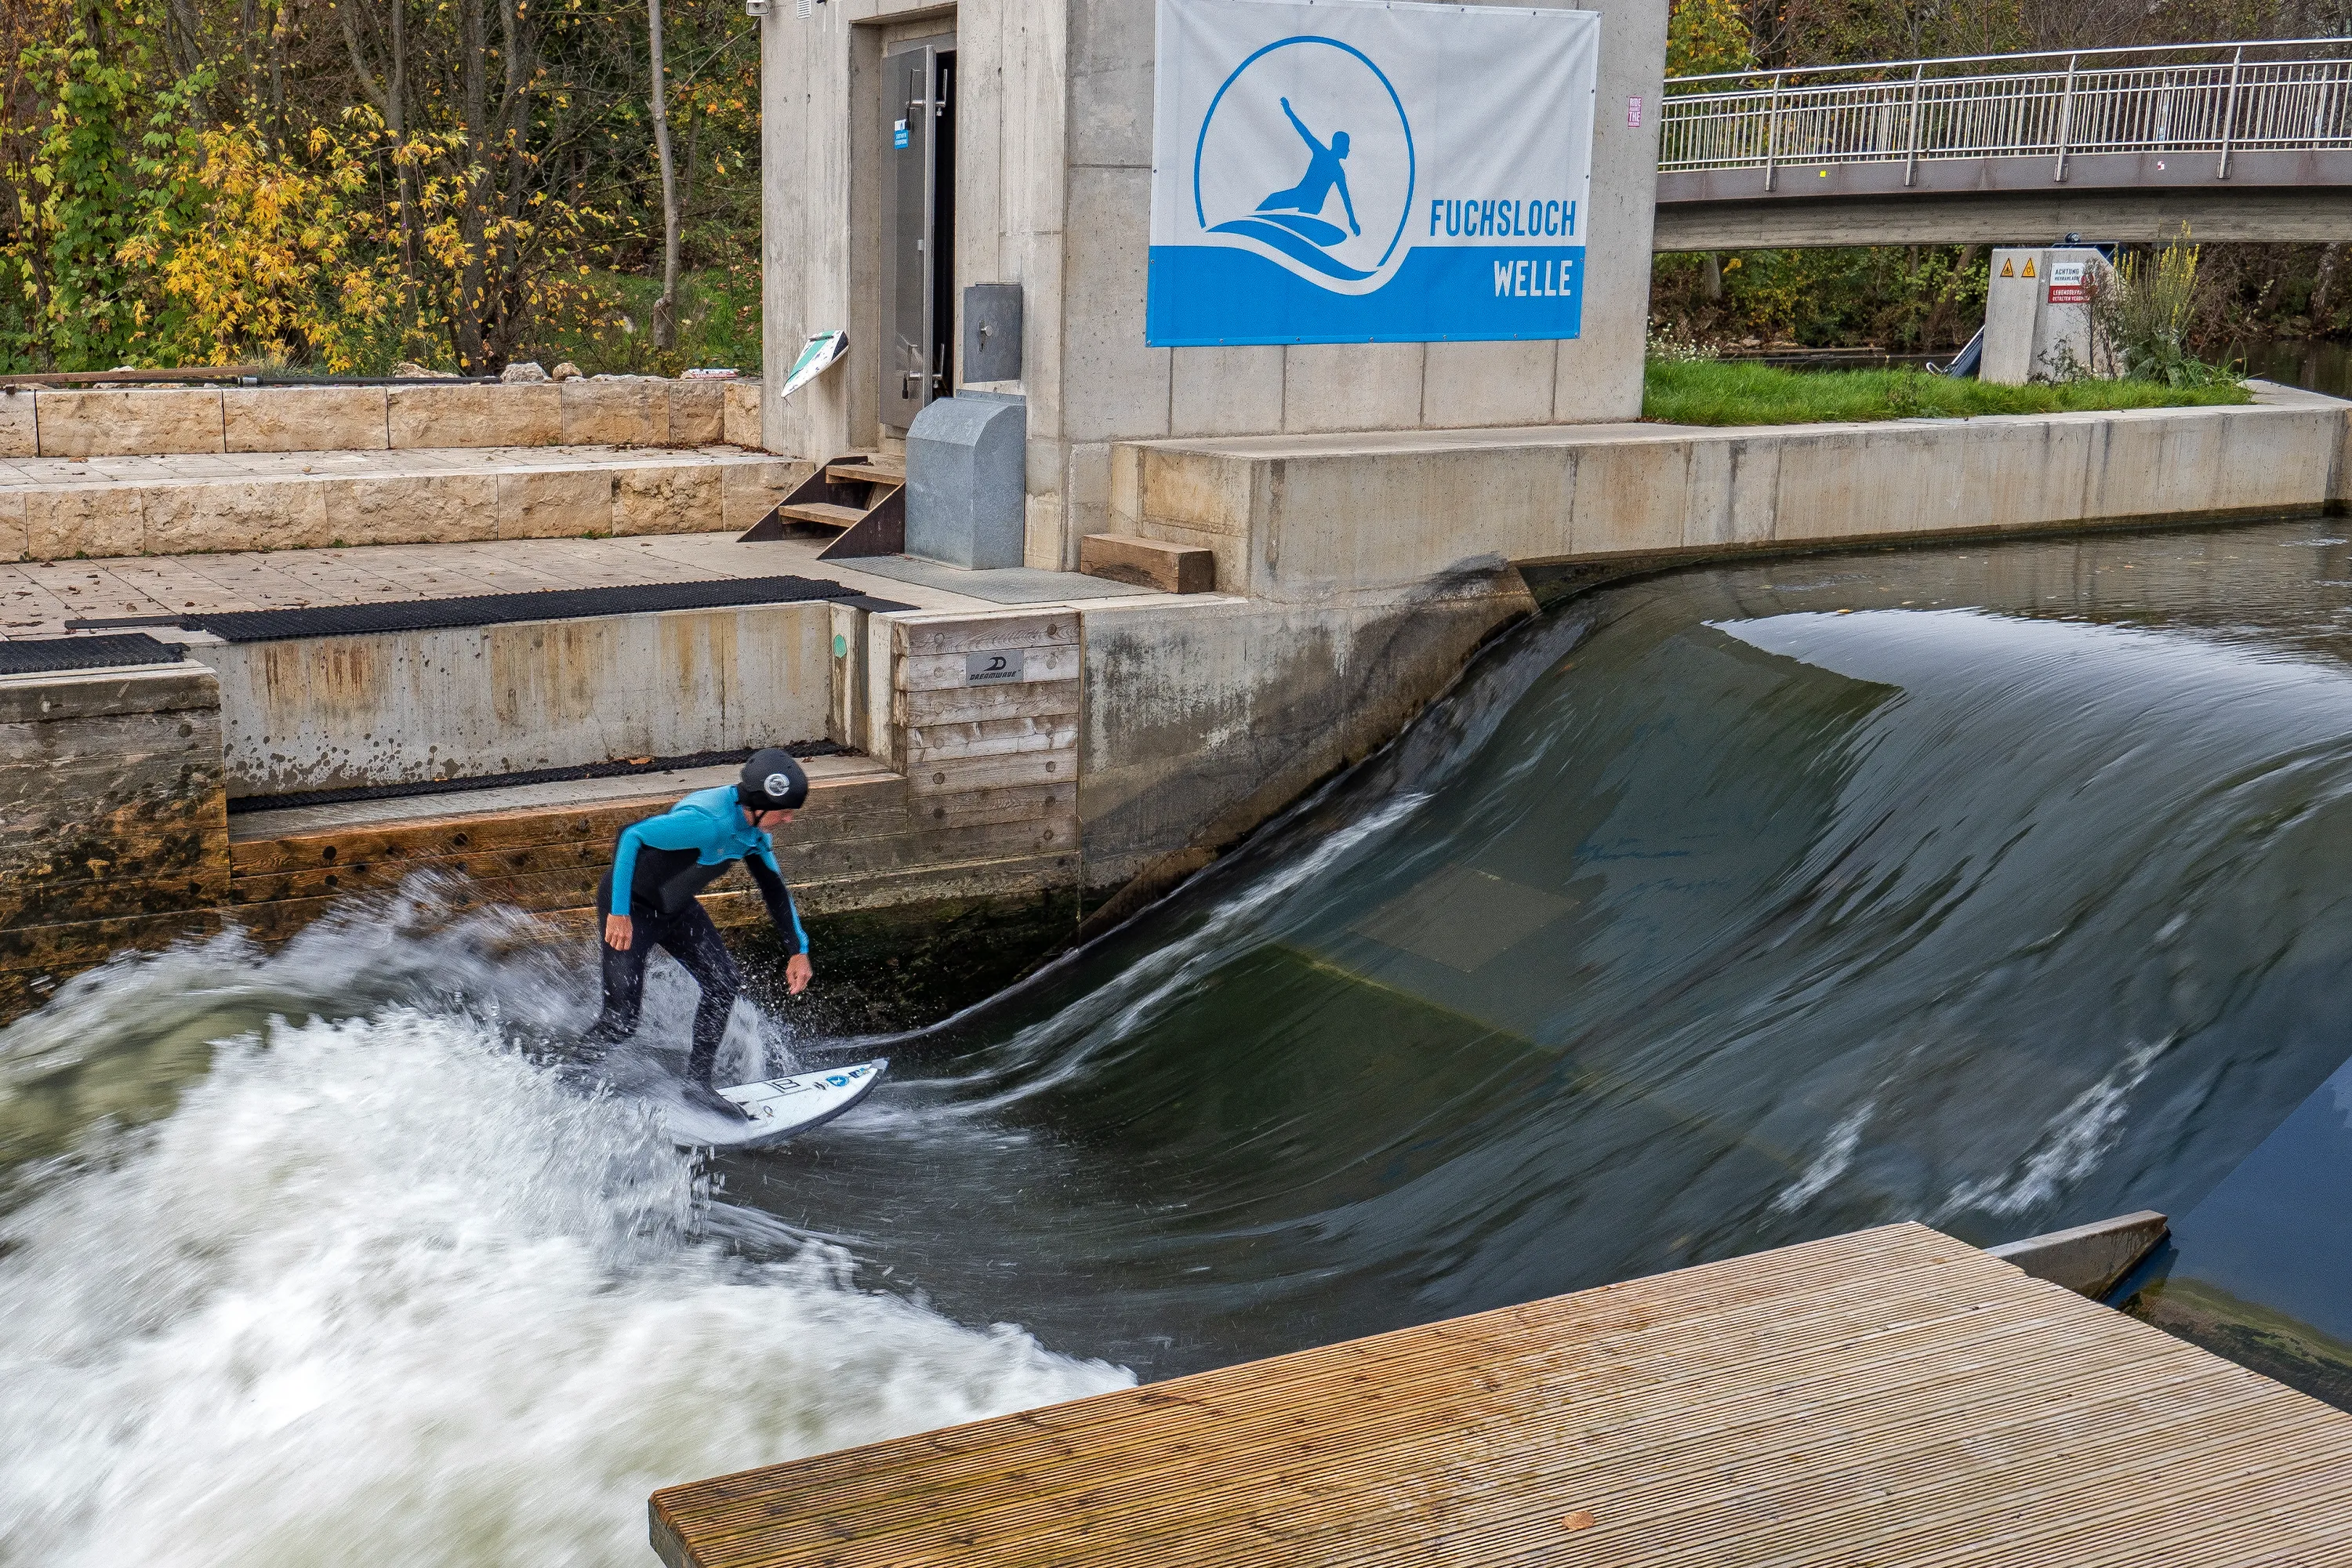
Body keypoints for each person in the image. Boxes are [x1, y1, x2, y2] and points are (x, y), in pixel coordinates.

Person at [582, 748, 815, 1116]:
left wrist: (797, 950)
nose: (788, 820)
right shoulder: (708, 822)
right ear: (756, 804)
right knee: (621, 1021)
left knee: (724, 983)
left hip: (676, 909)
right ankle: (564, 1079)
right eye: (784, 812)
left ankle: (697, 1084)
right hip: (631, 910)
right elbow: (631, 836)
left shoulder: (753, 834)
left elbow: (775, 891)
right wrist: (619, 913)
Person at [1257, 97, 1361, 238]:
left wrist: (1352, 220)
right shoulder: (1336, 168)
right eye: (1347, 147)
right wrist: (1288, 112)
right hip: (1309, 200)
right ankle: (1256, 224)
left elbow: (1346, 198)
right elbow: (1304, 132)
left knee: (1274, 201)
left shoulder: (1328, 160)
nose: (1349, 150)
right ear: (1340, 146)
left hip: (1307, 199)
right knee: (1274, 200)